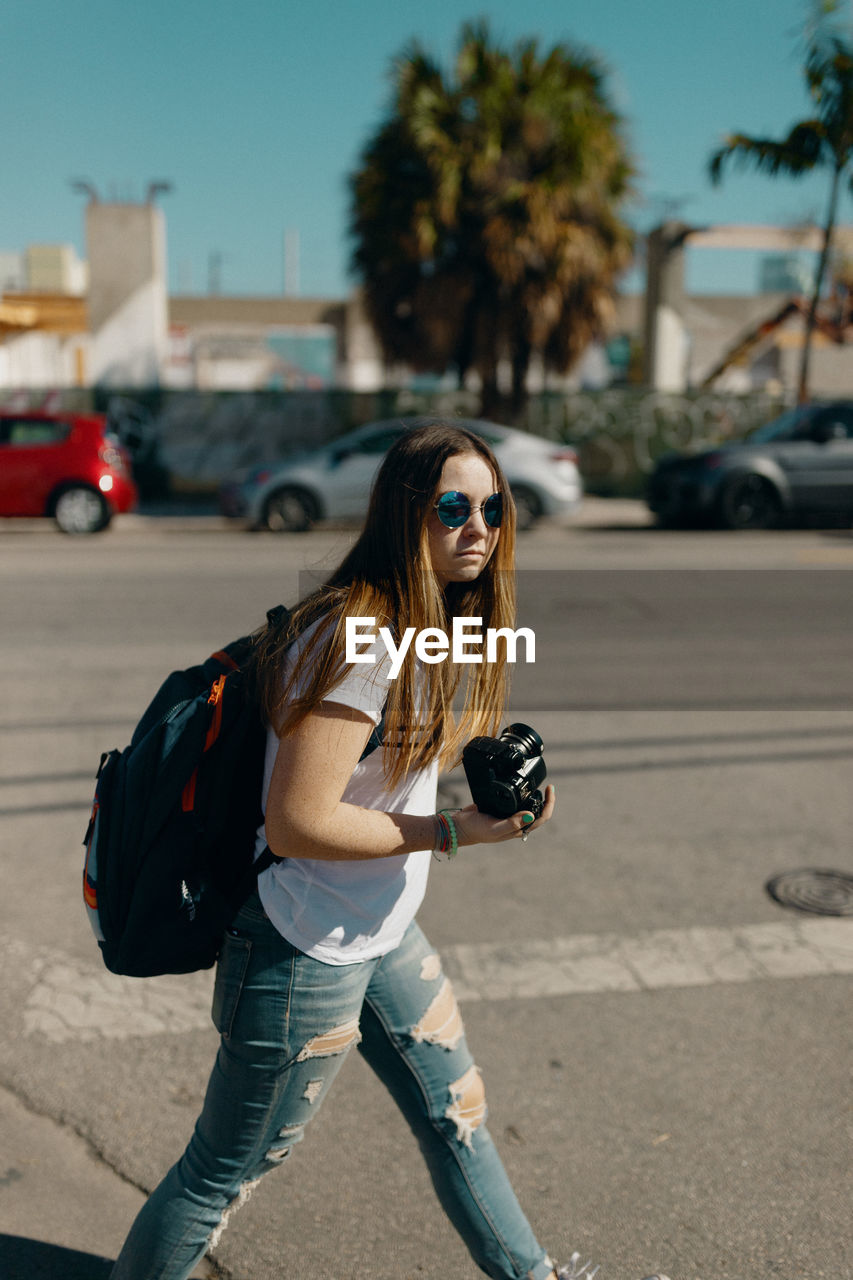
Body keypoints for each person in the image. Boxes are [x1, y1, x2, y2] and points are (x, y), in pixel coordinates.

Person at [110, 423, 670, 1280]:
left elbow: (370, 780)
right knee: (221, 1172)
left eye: (491, 506)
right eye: (452, 507)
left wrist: (483, 795)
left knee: (457, 1114)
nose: (476, 525)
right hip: (305, 945)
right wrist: (450, 833)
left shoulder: (422, 620)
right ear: (404, 515)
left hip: (382, 931)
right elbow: (299, 820)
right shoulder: (359, 636)